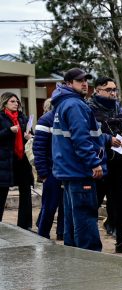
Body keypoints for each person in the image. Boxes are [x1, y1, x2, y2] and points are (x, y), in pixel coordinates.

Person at [51, 68, 107, 251]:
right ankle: (90, 262)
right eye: (79, 80)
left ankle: (73, 259)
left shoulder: (63, 104)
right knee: (85, 218)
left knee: (72, 219)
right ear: (68, 84)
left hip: (69, 171)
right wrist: (94, 163)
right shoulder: (75, 105)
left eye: (85, 80)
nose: (84, 83)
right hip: (80, 171)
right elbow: (81, 139)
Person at [88, 76, 122, 253]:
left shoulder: (118, 107)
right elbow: (88, 135)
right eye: (109, 90)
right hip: (100, 163)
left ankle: (121, 241)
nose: (113, 93)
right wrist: (107, 139)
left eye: (115, 89)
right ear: (97, 90)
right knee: (93, 206)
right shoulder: (89, 109)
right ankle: (90, 245)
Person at [0, 92, 34, 229]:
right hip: (6, 161)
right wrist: (9, 130)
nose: (16, 104)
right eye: (12, 101)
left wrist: (29, 136)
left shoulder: (23, 117)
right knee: (2, 193)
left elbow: (31, 134)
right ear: (5, 103)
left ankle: (25, 226)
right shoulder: (1, 117)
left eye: (17, 102)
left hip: (22, 160)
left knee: (26, 192)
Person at [33, 98, 65, 240]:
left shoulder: (67, 117)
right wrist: (43, 173)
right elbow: (38, 149)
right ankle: (43, 235)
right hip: (52, 171)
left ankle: (61, 233)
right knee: (49, 207)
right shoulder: (46, 120)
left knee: (64, 206)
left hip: (67, 170)